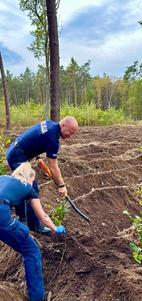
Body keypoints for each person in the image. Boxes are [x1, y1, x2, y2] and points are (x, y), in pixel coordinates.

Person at [0, 162, 66, 301]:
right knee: (31, 251)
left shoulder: (3, 178)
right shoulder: (29, 188)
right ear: (30, 177)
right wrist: (55, 228)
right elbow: (42, 216)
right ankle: (38, 297)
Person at [6, 116, 78, 235]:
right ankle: (28, 224)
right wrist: (61, 185)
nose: (71, 136)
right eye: (70, 132)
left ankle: (29, 223)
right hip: (17, 156)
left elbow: (35, 137)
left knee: (27, 188)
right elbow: (53, 167)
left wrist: (37, 156)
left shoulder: (50, 125)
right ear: (63, 125)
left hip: (15, 151)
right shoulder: (53, 139)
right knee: (30, 189)